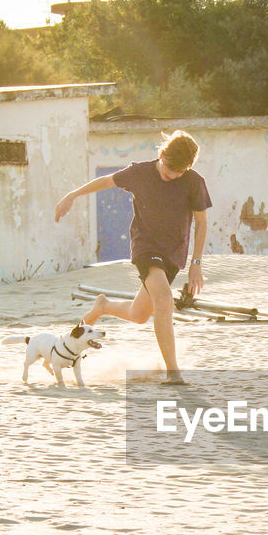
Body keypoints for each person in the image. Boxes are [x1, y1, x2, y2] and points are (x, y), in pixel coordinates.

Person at [55, 130, 211, 385]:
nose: (169, 175)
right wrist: (72, 195)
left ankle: (102, 306)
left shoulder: (194, 182)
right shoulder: (140, 172)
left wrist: (196, 264)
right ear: (162, 154)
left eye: (177, 173)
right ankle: (174, 373)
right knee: (164, 300)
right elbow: (106, 181)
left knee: (139, 314)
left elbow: (201, 223)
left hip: (174, 253)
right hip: (146, 247)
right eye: (168, 168)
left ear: (188, 168)